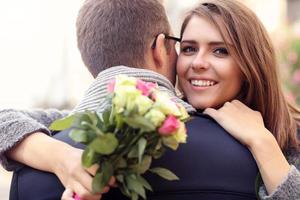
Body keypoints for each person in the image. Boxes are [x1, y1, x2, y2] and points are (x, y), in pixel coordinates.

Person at [174, 0, 300, 199]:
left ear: (251, 64)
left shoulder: (294, 136)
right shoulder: (156, 124)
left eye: (220, 51)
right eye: (189, 48)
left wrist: (262, 141)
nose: (198, 63)